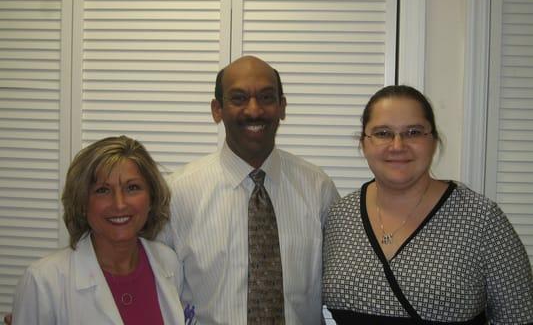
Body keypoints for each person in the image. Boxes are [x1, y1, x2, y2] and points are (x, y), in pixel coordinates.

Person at [322, 85, 533, 324]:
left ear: (433, 141)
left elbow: (519, 316)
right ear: (363, 143)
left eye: (413, 132)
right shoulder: (340, 216)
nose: (398, 145)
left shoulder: (482, 219)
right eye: (382, 133)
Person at [159, 55, 339, 324]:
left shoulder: (318, 188)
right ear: (217, 109)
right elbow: (159, 293)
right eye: (239, 98)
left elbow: (340, 285)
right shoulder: (176, 194)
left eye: (267, 97)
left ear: (282, 107)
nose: (254, 110)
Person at [10, 136, 185, 325]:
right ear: (83, 203)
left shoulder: (169, 263)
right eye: (102, 190)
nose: (119, 204)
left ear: (151, 198)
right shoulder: (43, 281)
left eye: (132, 188)